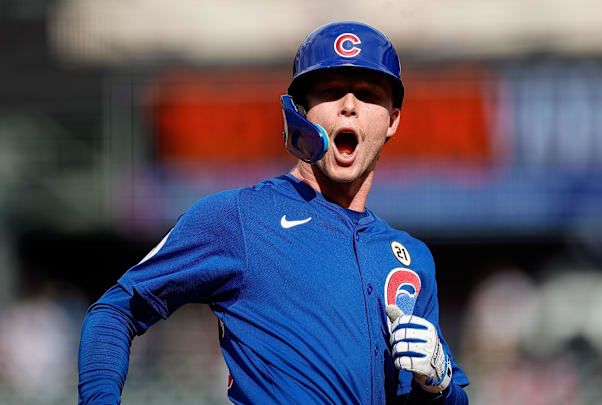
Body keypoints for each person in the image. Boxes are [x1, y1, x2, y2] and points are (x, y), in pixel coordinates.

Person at [78, 21, 469, 404]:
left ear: (393, 120)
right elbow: (115, 312)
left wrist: (439, 384)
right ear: (301, 112)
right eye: (331, 92)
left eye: (368, 95)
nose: (349, 107)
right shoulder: (240, 217)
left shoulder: (412, 258)